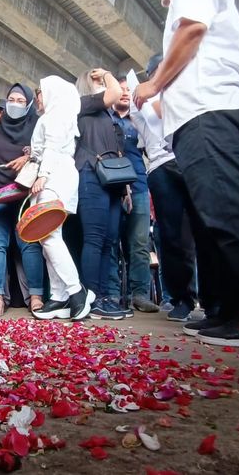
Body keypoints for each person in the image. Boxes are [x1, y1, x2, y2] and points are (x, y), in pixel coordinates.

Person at [137, 0, 239, 347]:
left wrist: (153, 84)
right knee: (214, 217)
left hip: (210, 111)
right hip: (200, 116)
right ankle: (233, 308)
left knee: (229, 209)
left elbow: (192, 31)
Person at [137, 54, 201, 324]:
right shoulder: (141, 100)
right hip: (162, 168)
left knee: (204, 230)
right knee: (173, 236)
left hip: (192, 157)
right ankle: (181, 298)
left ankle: (215, 299)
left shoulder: (191, 90)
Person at [29, 76, 94, 321]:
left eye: (41, 93)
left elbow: (53, 147)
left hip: (54, 175)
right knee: (49, 237)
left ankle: (76, 291)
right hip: (57, 174)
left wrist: (43, 175)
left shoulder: (54, 115)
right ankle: (58, 297)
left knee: (48, 236)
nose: (38, 98)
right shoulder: (56, 115)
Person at [0, 83, 45, 318]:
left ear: (29, 104)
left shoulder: (37, 126)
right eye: (12, 99)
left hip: (26, 194)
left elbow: (46, 152)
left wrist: (29, 156)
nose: (15, 104)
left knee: (29, 244)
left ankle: (36, 296)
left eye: (21, 101)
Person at [74, 68, 126, 320]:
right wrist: (105, 73)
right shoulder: (82, 103)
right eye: (95, 81)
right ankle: (92, 296)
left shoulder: (106, 114)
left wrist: (124, 186)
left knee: (109, 241)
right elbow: (116, 91)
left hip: (113, 180)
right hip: (90, 173)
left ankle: (105, 297)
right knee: (94, 238)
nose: (102, 83)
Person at [107, 77, 158, 316]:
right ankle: (112, 293)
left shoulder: (141, 119)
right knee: (111, 243)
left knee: (139, 245)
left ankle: (139, 295)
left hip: (139, 187)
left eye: (129, 90)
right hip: (112, 188)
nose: (126, 93)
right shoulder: (105, 120)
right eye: (122, 90)